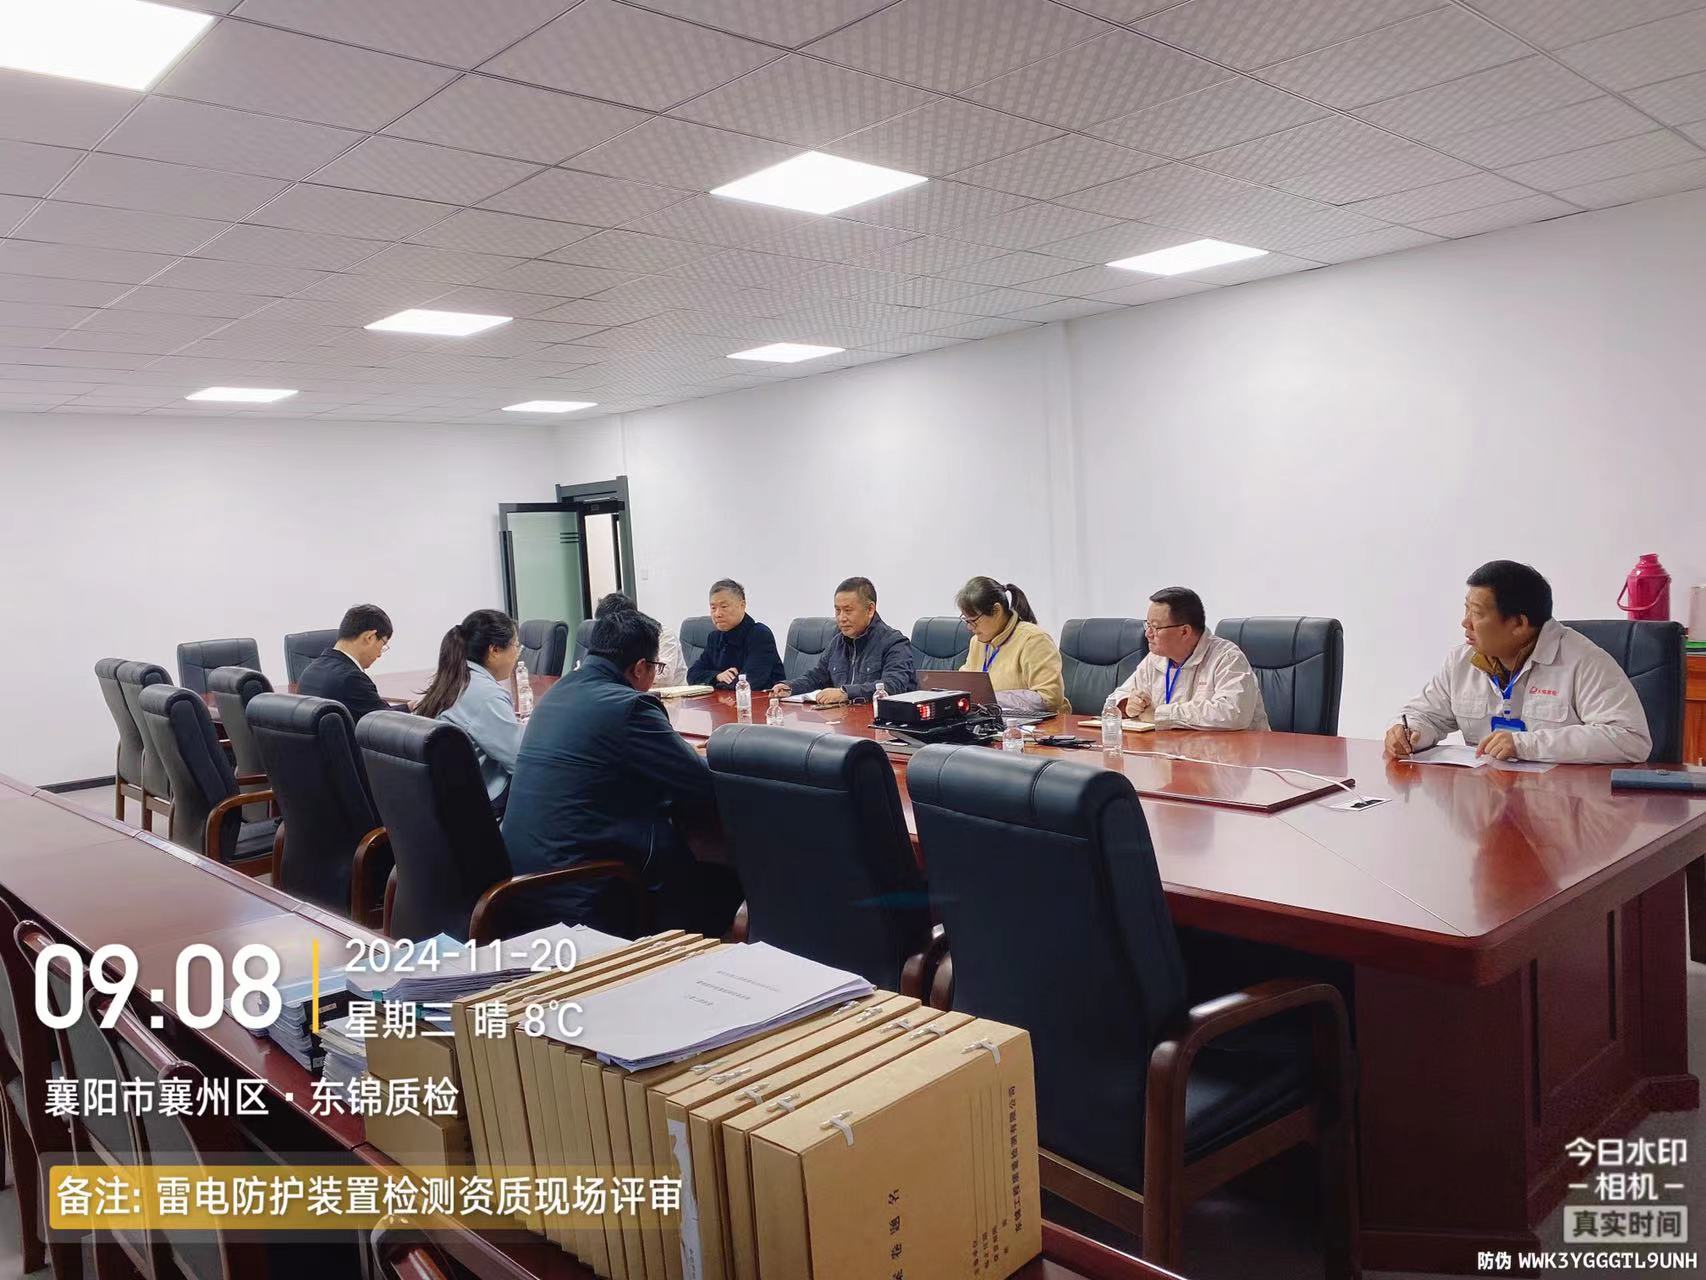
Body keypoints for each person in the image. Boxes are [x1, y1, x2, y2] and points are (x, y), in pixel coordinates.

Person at [502, 608, 742, 936]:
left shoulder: (557, 693)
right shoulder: (630, 707)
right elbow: (701, 784)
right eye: (656, 668)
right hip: (588, 888)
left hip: (523, 885)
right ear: (640, 667)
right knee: (732, 882)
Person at [1384, 560, 1651, 764]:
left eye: (1476, 613)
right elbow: (1423, 715)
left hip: (1562, 806)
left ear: (1519, 624)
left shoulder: (1583, 661)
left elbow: (1630, 739)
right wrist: (1409, 732)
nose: (1465, 622)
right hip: (1488, 802)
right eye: (1466, 609)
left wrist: (1525, 745)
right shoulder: (1462, 661)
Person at [1111, 587, 1269, 730]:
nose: (1148, 634)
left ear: (1184, 632)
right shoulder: (1155, 659)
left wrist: (1162, 714)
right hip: (1175, 748)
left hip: (1235, 751)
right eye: (1148, 625)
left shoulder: (1227, 657)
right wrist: (1126, 704)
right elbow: (1112, 701)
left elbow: (1233, 713)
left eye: (1156, 627)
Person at [414, 609, 523, 816]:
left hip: (446, 805)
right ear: (494, 650)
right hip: (485, 807)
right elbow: (520, 759)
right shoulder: (487, 695)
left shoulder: (453, 678)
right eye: (516, 646)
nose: (517, 655)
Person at [772, 576, 916, 705]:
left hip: (881, 722)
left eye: (848, 610)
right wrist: (790, 687)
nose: (841, 618)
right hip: (843, 720)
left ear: (870, 610)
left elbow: (892, 686)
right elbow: (816, 677)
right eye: (837, 610)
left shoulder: (895, 643)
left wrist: (845, 693)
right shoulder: (837, 643)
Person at [956, 576, 1067, 716]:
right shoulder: (977, 642)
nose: (969, 627)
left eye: (974, 621)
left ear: (997, 611)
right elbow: (966, 684)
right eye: (966, 621)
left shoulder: (1033, 639)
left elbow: (1049, 698)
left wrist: (991, 699)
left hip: (1039, 724)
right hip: (991, 720)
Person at [295, 603, 394, 723]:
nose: (379, 654)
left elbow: (373, 711)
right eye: (383, 645)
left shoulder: (310, 671)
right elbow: (390, 723)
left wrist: (408, 707)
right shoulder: (352, 679)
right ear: (370, 637)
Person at [686, 578, 785, 689]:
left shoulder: (760, 634)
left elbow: (749, 682)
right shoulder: (714, 637)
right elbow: (692, 675)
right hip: (724, 699)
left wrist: (714, 681)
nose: (717, 614)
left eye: (724, 607)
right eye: (713, 608)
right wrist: (717, 676)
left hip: (762, 698)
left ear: (742, 605)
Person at [596, 591, 685, 686]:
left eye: (610, 627)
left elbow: (664, 678)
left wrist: (621, 677)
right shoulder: (612, 639)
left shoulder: (663, 634)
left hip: (669, 693)